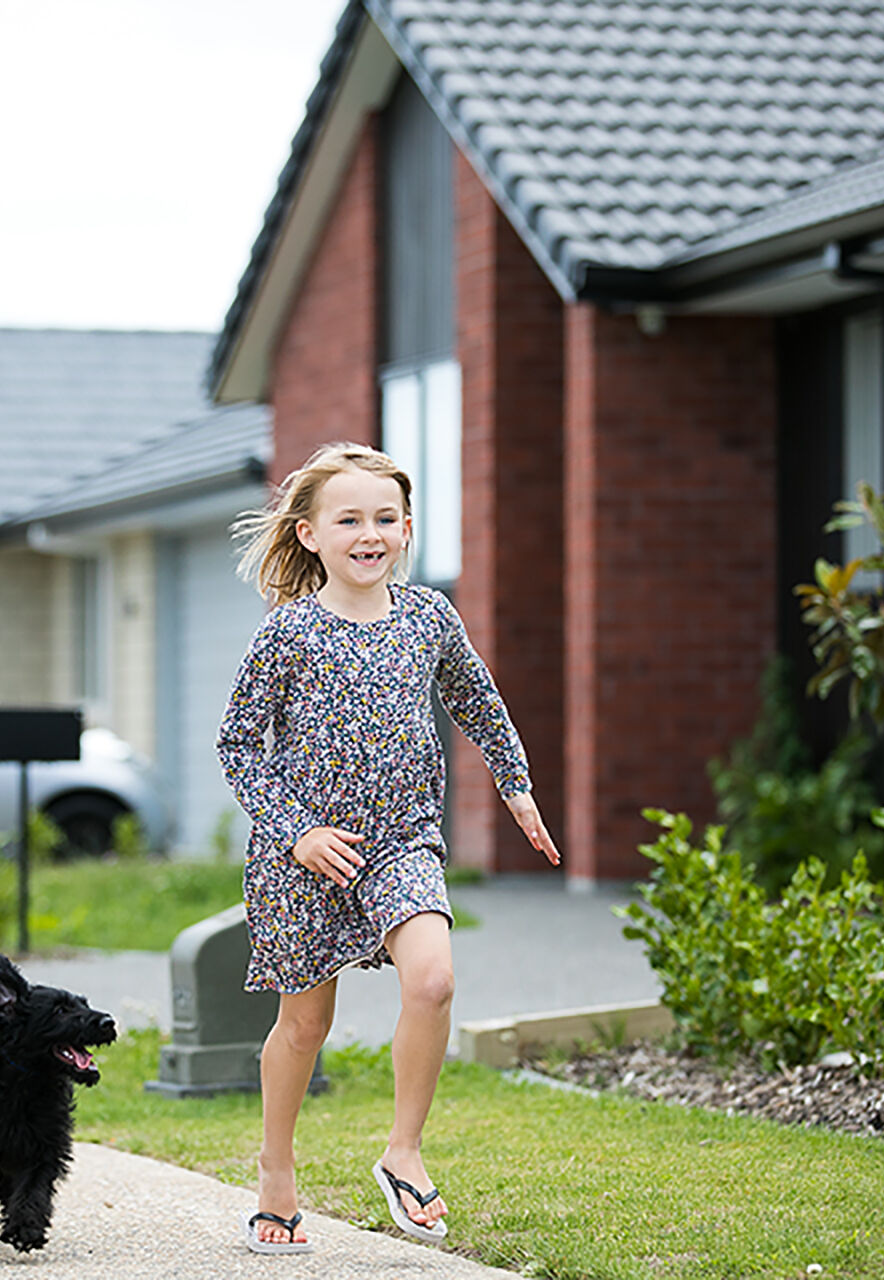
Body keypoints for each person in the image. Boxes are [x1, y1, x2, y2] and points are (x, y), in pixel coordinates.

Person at [217, 442, 560, 1254]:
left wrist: (516, 784)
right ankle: (275, 1169)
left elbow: (477, 696)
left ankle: (403, 1150)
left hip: (405, 838)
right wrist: (295, 831)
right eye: (349, 519)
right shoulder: (289, 632)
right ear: (308, 534)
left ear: (406, 530)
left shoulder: (429, 616)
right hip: (306, 852)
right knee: (304, 1026)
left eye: (385, 519)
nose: (369, 534)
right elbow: (239, 744)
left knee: (434, 979)